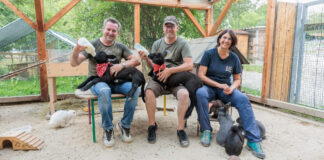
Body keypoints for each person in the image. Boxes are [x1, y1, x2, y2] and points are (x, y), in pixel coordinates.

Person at [70, 17, 141, 148]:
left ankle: (124, 125)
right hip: (98, 82)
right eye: (108, 29)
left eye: (114, 31)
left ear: (117, 33)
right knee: (104, 90)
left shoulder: (120, 47)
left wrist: (122, 65)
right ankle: (108, 128)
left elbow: (136, 61)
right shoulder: (92, 45)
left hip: (117, 80)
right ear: (103, 29)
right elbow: (74, 63)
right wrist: (76, 51)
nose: (110, 33)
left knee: (135, 88)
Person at [195, 29, 265, 159]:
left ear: (232, 43)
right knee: (200, 93)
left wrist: (232, 88)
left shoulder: (234, 58)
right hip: (209, 87)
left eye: (229, 39)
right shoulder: (209, 54)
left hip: (226, 89)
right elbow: (201, 75)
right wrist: (218, 85)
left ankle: (253, 140)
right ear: (219, 39)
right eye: (224, 38)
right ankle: (206, 130)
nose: (226, 41)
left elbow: (237, 79)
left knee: (243, 99)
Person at [139, 16, 193, 147]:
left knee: (184, 94)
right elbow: (152, 67)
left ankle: (180, 129)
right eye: (167, 26)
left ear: (177, 28)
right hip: (158, 77)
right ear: (163, 28)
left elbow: (189, 65)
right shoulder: (157, 44)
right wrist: (146, 60)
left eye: (172, 26)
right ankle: (152, 126)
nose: (169, 29)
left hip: (175, 78)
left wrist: (170, 70)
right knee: (149, 92)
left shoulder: (183, 43)